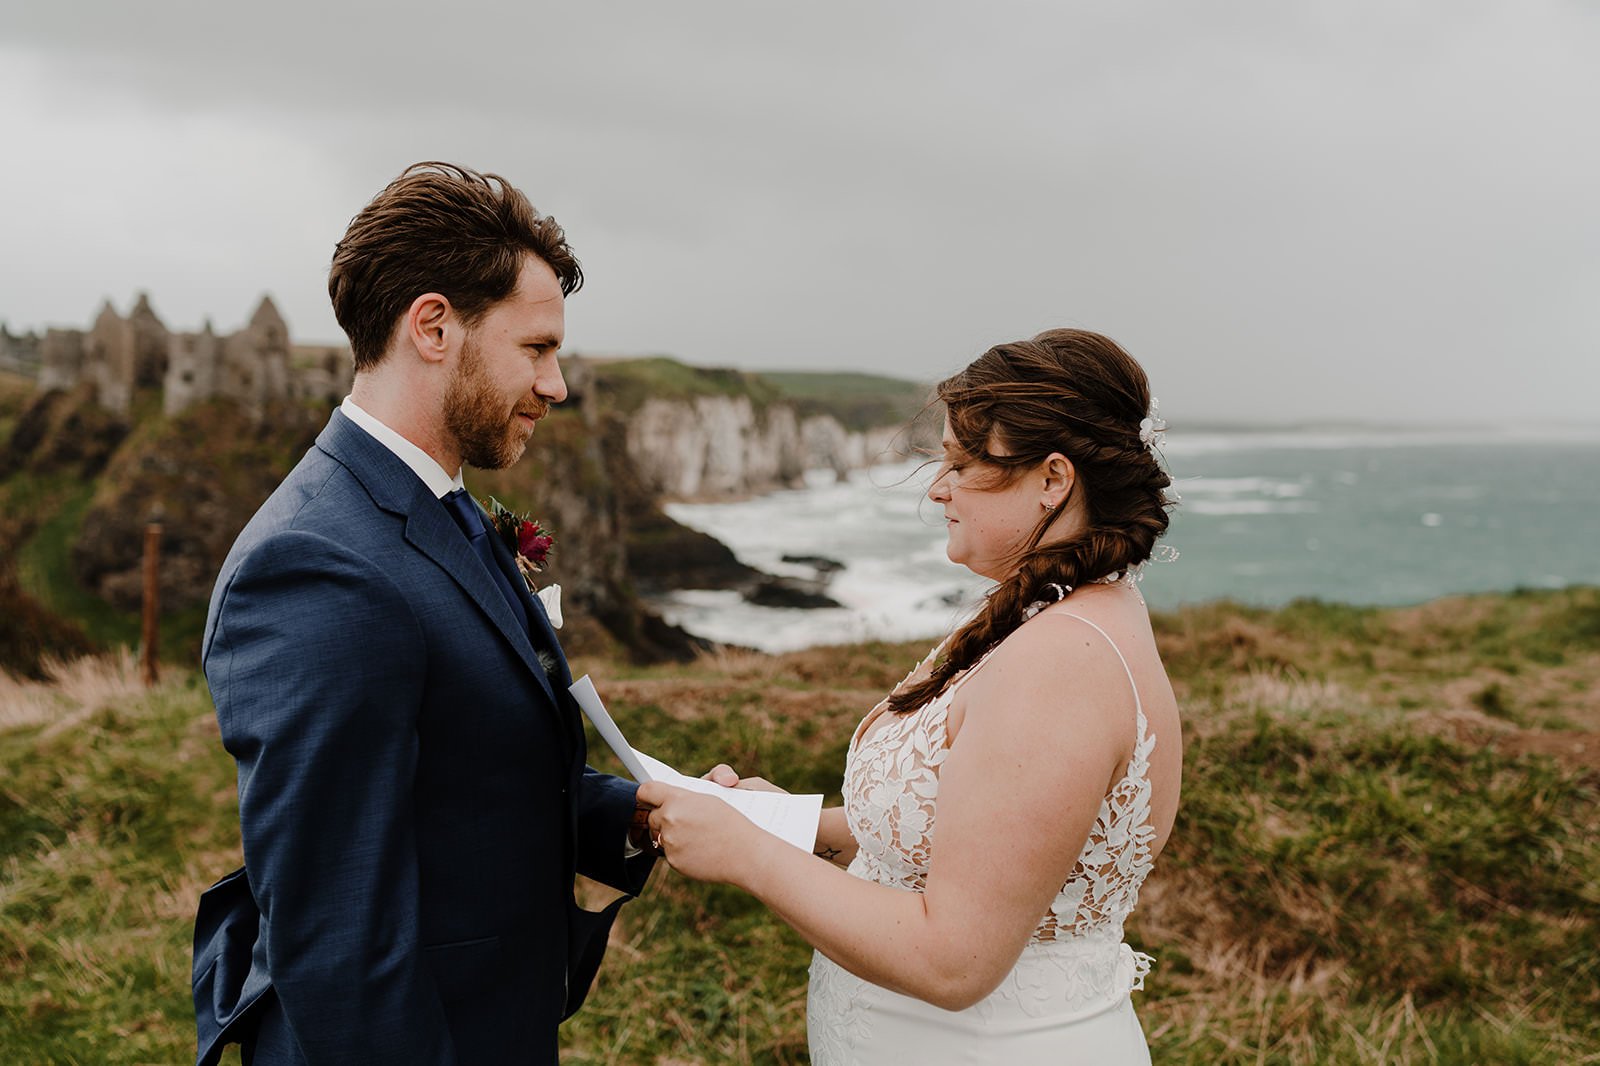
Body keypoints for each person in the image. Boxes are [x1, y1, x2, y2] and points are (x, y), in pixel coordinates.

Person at [191, 162, 670, 1065]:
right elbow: (341, 938)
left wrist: (643, 816)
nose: (558, 385)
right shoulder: (314, 567)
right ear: (435, 327)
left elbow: (467, 778)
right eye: (535, 349)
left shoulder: (437, 508)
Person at [640, 329, 1182, 1064]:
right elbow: (975, 834)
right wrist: (793, 827)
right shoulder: (1061, 615)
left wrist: (747, 856)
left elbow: (954, 961)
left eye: (962, 462)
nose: (937, 486)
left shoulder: (1061, 662)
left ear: (1053, 480)